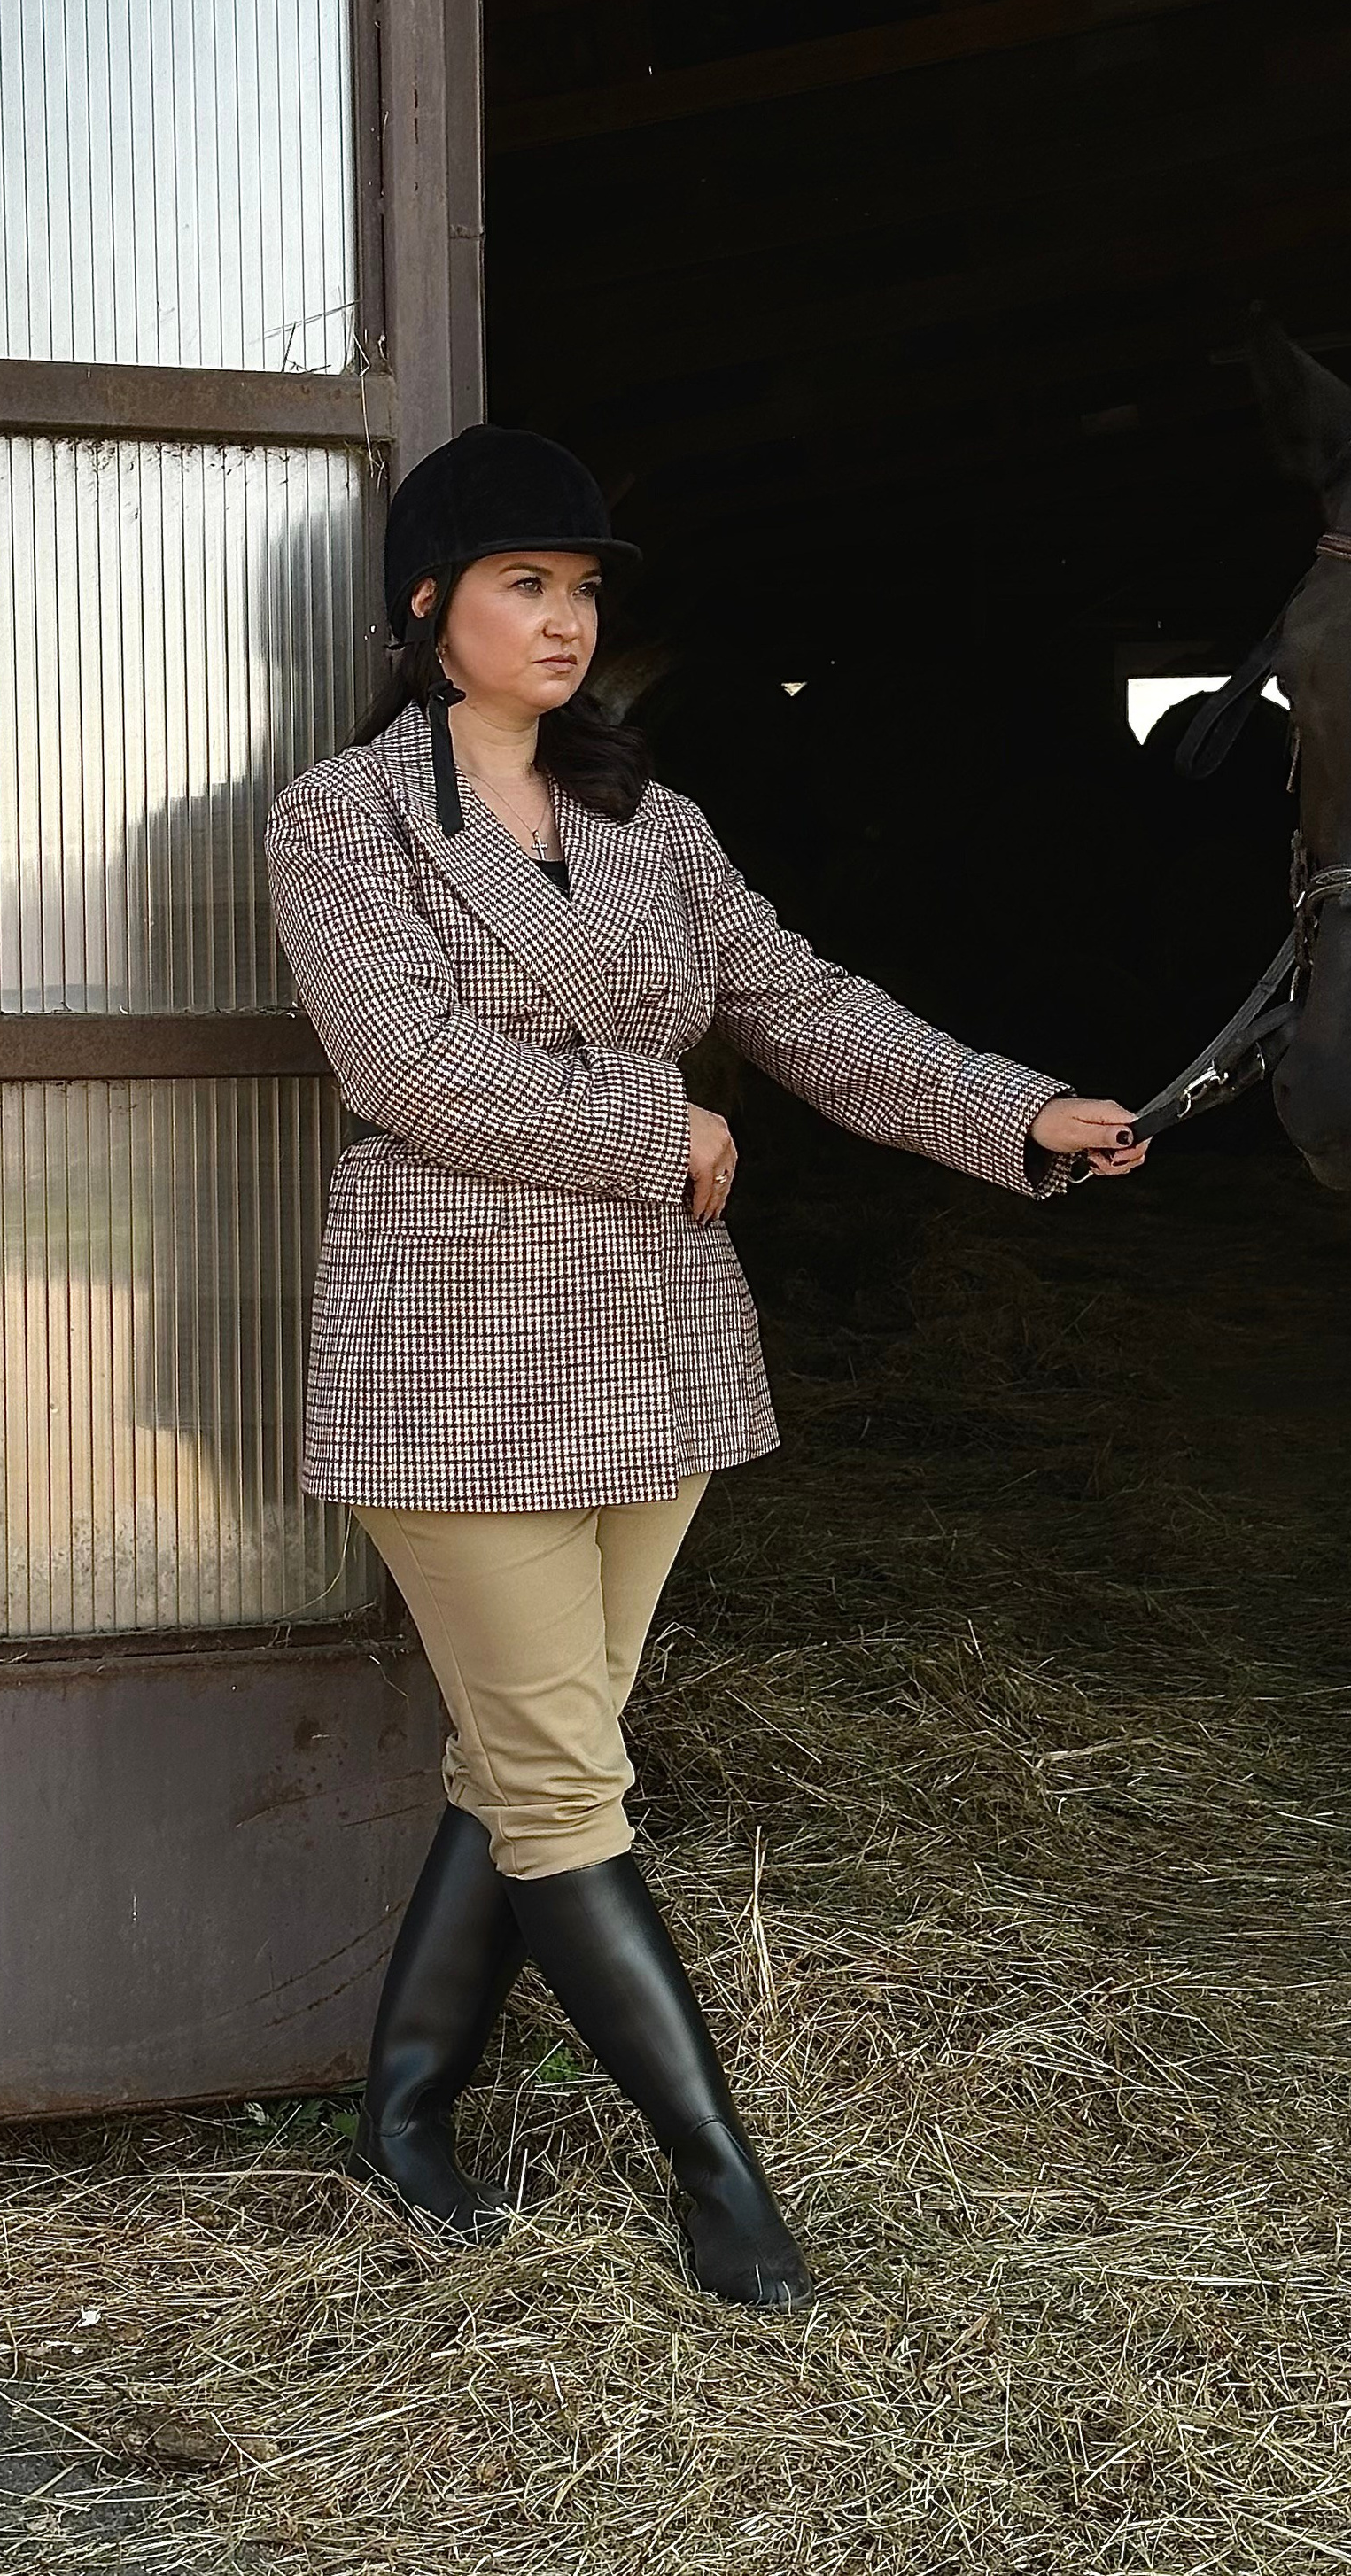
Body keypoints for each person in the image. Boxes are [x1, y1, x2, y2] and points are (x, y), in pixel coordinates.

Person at [264, 426, 1146, 2311]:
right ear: (428, 609)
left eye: (582, 590)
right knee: (567, 1784)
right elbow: (402, 1070)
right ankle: (721, 2186)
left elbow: (803, 1005)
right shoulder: (339, 822)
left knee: (523, 1761)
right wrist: (645, 1130)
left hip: (648, 1349)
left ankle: (401, 2113)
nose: (564, 620)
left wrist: (1015, 1109)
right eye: (524, 584)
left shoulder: (650, 826)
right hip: (451, 1356)